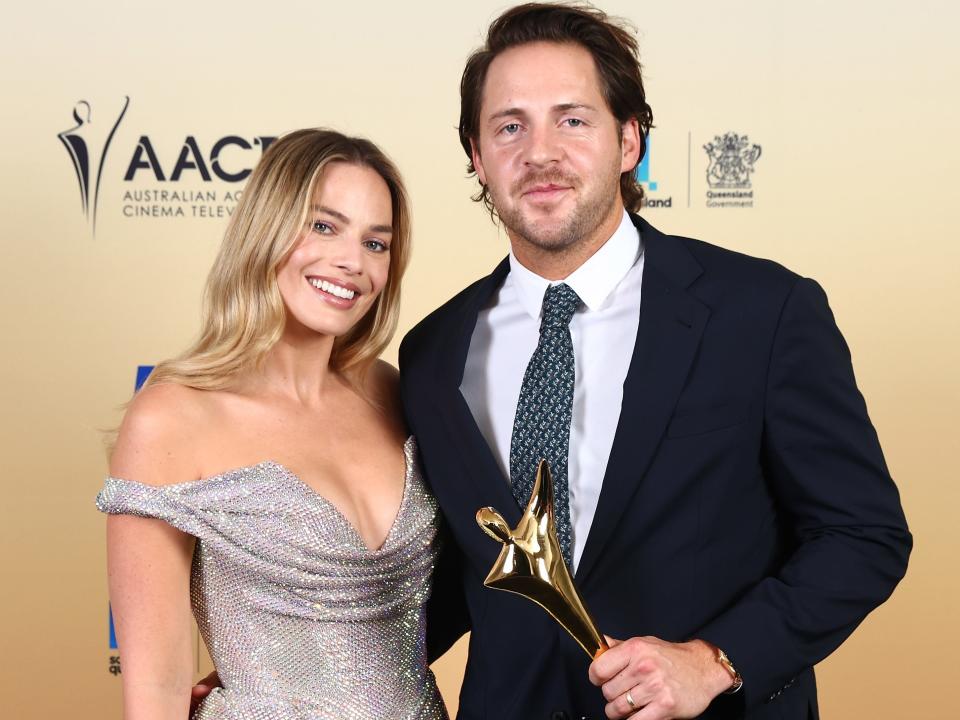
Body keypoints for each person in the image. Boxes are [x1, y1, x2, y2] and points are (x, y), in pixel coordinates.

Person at [398, 4, 912, 720]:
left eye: (572, 120)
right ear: (478, 158)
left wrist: (718, 660)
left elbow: (863, 536)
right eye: (510, 125)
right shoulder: (431, 352)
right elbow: (462, 572)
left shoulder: (761, 313)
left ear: (629, 140)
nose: (540, 152)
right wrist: (293, 661)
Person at [97, 129, 448, 719]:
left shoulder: (393, 392)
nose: (351, 262)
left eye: (376, 243)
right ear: (267, 227)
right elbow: (155, 688)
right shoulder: (171, 418)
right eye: (323, 226)